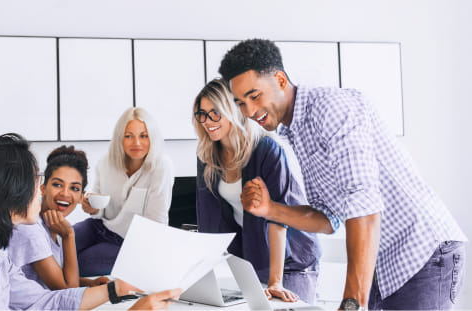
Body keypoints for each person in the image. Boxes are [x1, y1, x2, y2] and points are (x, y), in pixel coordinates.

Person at [220, 39, 467, 310]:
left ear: (280, 80)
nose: (250, 111)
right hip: (381, 262)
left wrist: (352, 303)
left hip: (421, 252)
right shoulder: (296, 131)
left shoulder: (331, 107)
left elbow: (364, 203)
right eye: (240, 103)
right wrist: (270, 209)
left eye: (254, 96)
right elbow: (329, 220)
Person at [0, 133, 181, 310]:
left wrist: (114, 290)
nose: (40, 189)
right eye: (37, 180)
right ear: (8, 190)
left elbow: (43, 301)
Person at [192, 78, 321, 304]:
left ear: (233, 110)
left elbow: (278, 219)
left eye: (215, 113)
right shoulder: (207, 156)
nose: (207, 121)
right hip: (252, 257)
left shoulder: (267, 150)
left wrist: (276, 281)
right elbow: (207, 218)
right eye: (202, 114)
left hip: (290, 262)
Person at [73, 107, 175, 276]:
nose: (136, 143)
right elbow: (99, 209)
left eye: (143, 136)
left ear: (152, 137)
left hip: (129, 245)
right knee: (60, 244)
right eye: (129, 136)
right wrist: (93, 209)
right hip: (99, 227)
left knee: (77, 264)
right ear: (120, 137)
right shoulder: (106, 162)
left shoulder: (161, 166)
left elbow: (156, 222)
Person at [9, 145, 109, 289]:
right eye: (57, 184)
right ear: (43, 188)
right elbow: (67, 292)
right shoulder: (31, 230)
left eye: (74, 188)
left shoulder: (55, 224)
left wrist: (90, 283)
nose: (65, 194)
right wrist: (69, 236)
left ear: (81, 197)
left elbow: (58, 277)